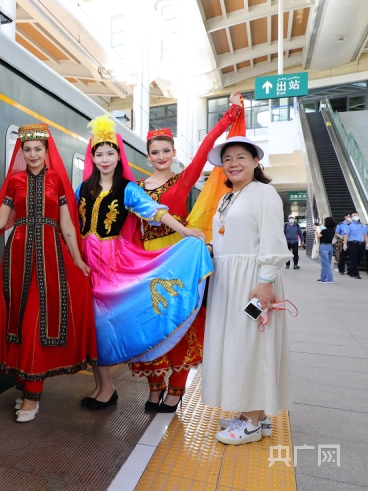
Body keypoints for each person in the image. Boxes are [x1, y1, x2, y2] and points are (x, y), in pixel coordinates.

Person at [0, 123, 96, 423]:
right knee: (21, 319)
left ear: (46, 151)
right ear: (22, 152)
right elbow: (1, 221)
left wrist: (78, 260)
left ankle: (32, 396)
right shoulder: (15, 181)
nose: (33, 154)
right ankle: (27, 386)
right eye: (27, 149)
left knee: (37, 319)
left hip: (51, 257)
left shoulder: (57, 180)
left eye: (38, 149)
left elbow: (66, 225)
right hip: (18, 257)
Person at [76, 115, 210, 411]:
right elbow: (71, 220)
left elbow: (155, 211)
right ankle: (105, 387)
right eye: (99, 154)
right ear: (92, 158)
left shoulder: (128, 188)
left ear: (119, 157)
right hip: (88, 262)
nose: (105, 159)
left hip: (116, 261)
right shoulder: (83, 188)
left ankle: (153, 387)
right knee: (94, 323)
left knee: (116, 319)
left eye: (110, 153)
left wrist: (185, 231)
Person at [132, 91, 242, 413]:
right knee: (152, 323)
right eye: (155, 152)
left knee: (180, 320)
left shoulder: (183, 180)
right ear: (148, 156)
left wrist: (229, 115)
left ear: (174, 153)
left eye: (166, 150)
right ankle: (155, 387)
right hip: (148, 260)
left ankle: (176, 390)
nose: (161, 156)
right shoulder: (135, 187)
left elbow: (207, 145)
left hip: (178, 257)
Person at [202, 136, 292, 446]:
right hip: (228, 282)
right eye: (227, 159)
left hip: (253, 281)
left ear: (255, 162)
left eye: (241, 157)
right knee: (239, 344)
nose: (233, 163)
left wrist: (266, 281)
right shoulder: (228, 197)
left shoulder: (263, 193)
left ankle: (251, 423)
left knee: (250, 345)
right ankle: (257, 415)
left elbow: (272, 239)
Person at [342, 210, 367, 279]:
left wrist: (367, 243)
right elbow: (346, 235)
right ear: (351, 217)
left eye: (357, 215)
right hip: (352, 243)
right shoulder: (349, 225)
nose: (356, 216)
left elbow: (364, 235)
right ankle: (356, 273)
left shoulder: (362, 225)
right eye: (354, 215)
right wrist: (345, 243)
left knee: (359, 258)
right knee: (354, 258)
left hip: (361, 243)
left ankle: (350, 271)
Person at [316, 217, 336, 283]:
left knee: (325, 263)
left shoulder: (324, 231)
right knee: (327, 263)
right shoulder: (333, 230)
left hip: (324, 246)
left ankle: (330, 279)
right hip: (330, 246)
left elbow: (318, 236)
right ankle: (323, 278)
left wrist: (317, 230)